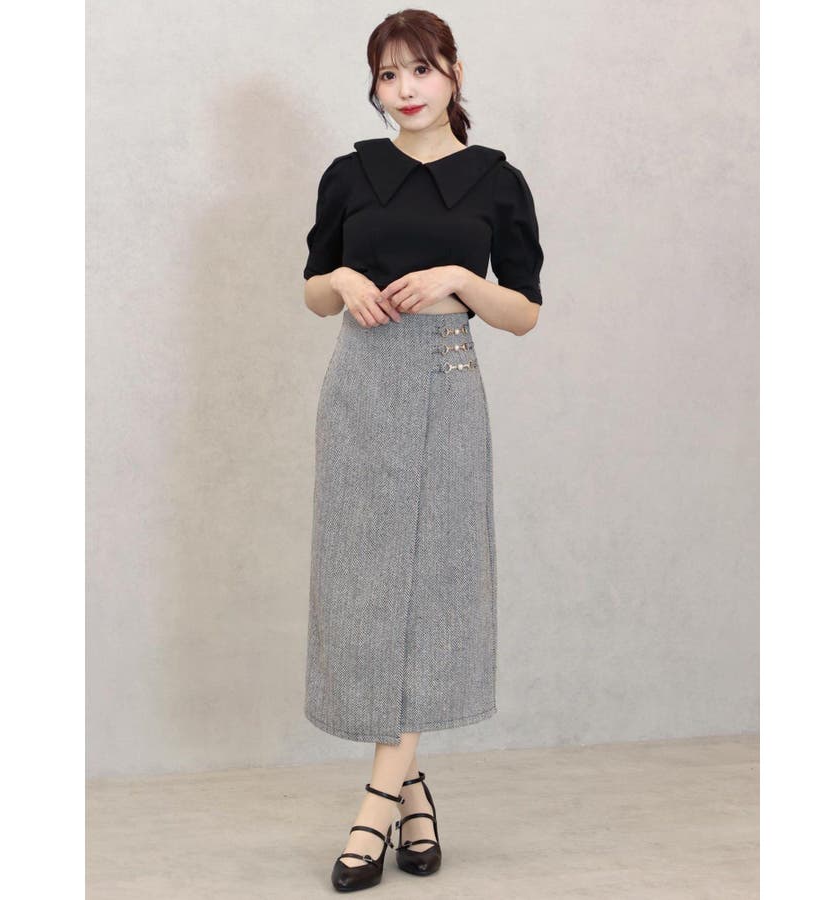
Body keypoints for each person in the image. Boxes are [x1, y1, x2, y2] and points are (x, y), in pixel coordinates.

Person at [302, 9, 544, 892]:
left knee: (431, 590)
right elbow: (312, 291)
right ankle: (414, 795)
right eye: (388, 74)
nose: (404, 89)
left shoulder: (496, 182)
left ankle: (374, 804)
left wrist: (462, 280)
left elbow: (525, 312)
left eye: (421, 70)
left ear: (454, 73)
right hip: (360, 386)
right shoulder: (350, 174)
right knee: (368, 592)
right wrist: (341, 277)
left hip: (446, 382)